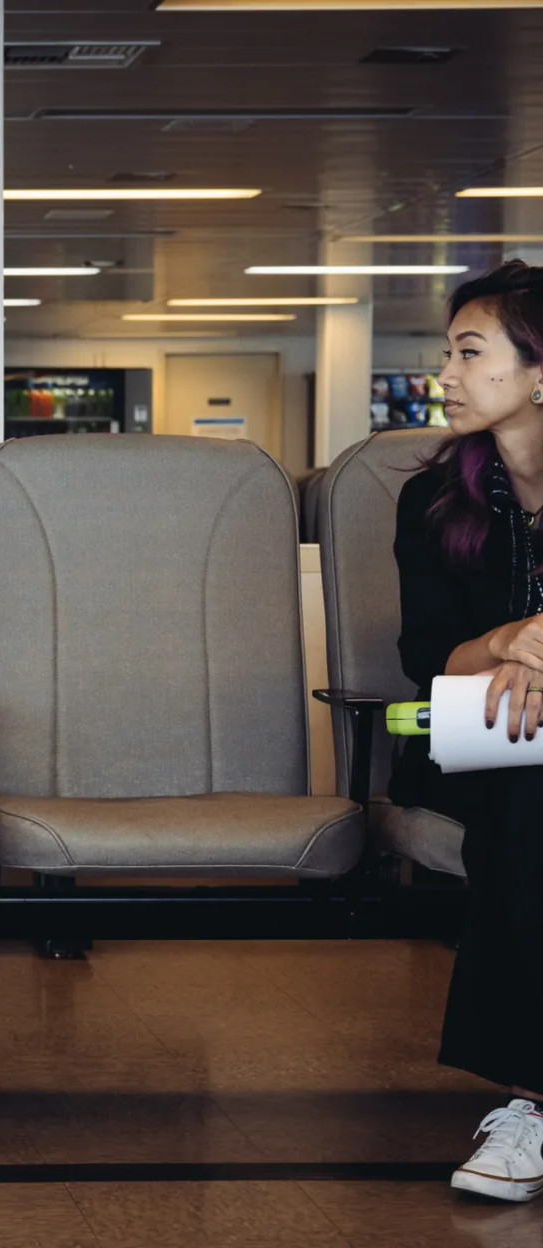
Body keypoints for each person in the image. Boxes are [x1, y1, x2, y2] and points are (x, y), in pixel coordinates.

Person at [394, 260, 543, 1203]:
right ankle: (530, 1100)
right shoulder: (435, 501)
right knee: (530, 801)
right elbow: (424, 657)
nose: (444, 374)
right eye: (447, 353)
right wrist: (510, 642)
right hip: (479, 746)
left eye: (469, 352)